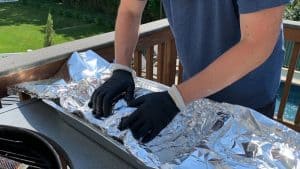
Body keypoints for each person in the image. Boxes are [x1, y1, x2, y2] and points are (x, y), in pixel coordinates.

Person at [89, 0, 291, 143]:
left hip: (249, 103)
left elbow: (257, 44)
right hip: (194, 93)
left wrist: (175, 98)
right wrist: (121, 68)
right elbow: (130, 10)